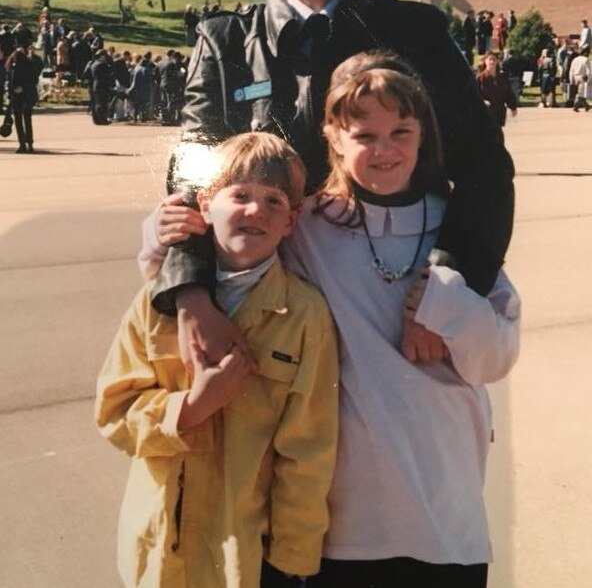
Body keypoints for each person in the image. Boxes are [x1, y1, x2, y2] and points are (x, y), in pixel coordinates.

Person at [142, 54, 520, 588]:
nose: (384, 149)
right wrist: (164, 242)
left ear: (421, 134)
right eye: (364, 134)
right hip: (338, 523)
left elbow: (499, 356)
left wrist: (447, 303)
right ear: (334, 138)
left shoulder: (456, 230)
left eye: (400, 132)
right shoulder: (306, 224)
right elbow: (234, 256)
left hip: (444, 509)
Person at [150, 0, 514, 368]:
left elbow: (484, 165)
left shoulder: (417, 36)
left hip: (391, 313)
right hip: (258, 316)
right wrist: (189, 293)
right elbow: (191, 171)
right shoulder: (226, 44)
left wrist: (447, 286)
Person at [96, 132, 339, 588]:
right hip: (162, 553)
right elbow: (114, 411)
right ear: (205, 206)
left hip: (244, 557)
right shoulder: (155, 304)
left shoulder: (305, 317)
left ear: (292, 221)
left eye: (274, 200)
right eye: (240, 195)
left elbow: (309, 450)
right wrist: (192, 407)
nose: (255, 210)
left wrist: (293, 559)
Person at [5, 47, 42, 152]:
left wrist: (14, 91)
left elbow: (10, 82)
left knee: (18, 121)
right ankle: (29, 144)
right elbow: (34, 80)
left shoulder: (14, 67)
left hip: (18, 97)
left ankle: (22, 144)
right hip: (28, 96)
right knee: (27, 120)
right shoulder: (30, 65)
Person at [476, 51, 518, 126]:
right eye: (490, 59)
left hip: (499, 112)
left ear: (497, 61)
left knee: (498, 135)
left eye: (494, 59)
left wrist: (513, 107)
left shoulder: (502, 77)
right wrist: (482, 101)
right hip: (486, 112)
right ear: (485, 61)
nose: (492, 62)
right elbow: (474, 94)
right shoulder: (480, 78)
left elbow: (508, 93)